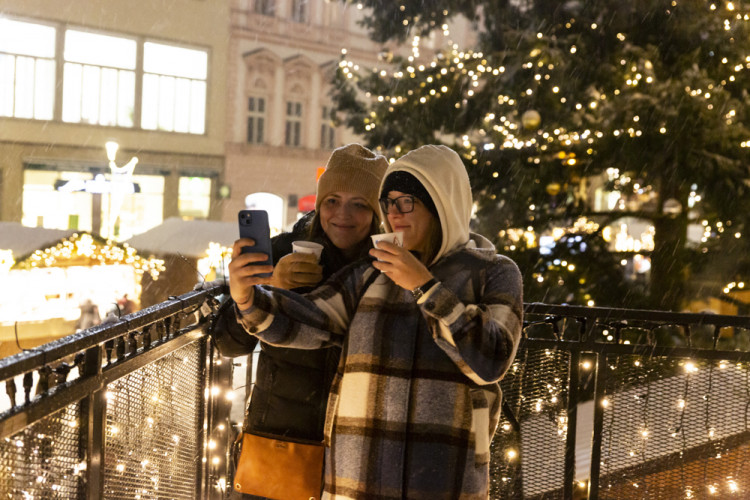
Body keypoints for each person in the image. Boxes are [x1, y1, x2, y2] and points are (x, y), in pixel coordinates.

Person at [229, 144, 523, 498]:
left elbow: (490, 360)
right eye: (388, 202)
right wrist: (247, 297)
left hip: (442, 480)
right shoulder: (372, 271)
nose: (394, 213)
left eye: (406, 202)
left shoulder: (494, 272)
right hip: (358, 481)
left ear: (441, 204)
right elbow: (309, 320)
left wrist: (425, 287)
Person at [212, 144, 388, 496]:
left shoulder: (387, 266)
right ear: (320, 202)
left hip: (355, 448)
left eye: (359, 204)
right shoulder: (280, 251)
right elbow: (229, 343)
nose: (342, 214)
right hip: (281, 438)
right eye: (332, 200)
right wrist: (269, 287)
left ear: (376, 212)